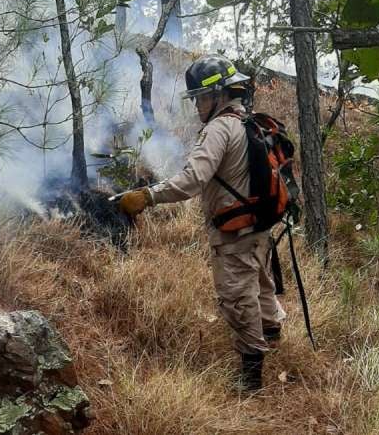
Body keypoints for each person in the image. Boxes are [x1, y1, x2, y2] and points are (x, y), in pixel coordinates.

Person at [118, 54, 285, 391]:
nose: (196, 106)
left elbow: (192, 180)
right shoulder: (245, 121)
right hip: (257, 226)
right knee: (261, 282)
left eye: (199, 98)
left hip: (235, 231)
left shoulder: (218, 129)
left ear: (218, 95)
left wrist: (148, 196)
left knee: (237, 296)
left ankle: (251, 375)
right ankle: (272, 331)